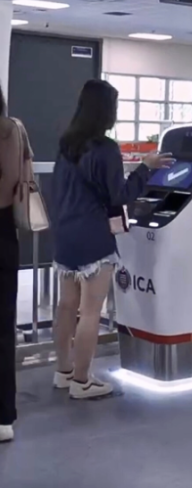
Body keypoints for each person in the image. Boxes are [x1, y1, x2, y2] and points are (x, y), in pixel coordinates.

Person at [51, 79, 171, 399]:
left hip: (65, 233)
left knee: (66, 307)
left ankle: (63, 371)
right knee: (91, 311)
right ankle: (83, 381)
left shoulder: (66, 144)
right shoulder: (105, 149)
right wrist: (145, 170)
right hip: (93, 237)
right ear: (106, 111)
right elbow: (119, 196)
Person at [0, 83, 29, 442]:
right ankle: (3, 414)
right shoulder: (11, 129)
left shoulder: (9, 129)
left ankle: (3, 414)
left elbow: (7, 184)